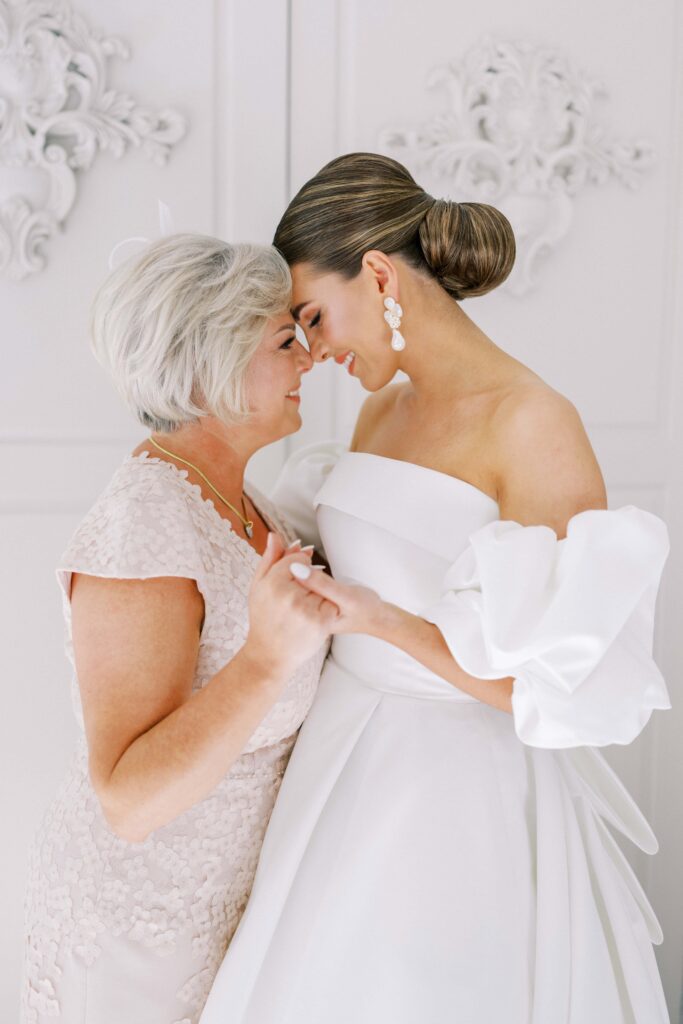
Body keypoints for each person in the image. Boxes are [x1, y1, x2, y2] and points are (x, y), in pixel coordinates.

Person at [199, 153, 672, 1024]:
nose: (314, 349)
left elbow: (549, 693)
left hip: (452, 800)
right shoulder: (383, 411)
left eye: (313, 316)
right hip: (338, 767)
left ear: (377, 274)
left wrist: (384, 623)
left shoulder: (533, 424)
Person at [21, 235, 336, 1024]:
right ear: (210, 363)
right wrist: (266, 660)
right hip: (138, 933)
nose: (309, 357)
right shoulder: (144, 525)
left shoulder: (237, 498)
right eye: (283, 339)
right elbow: (128, 798)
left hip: (218, 913)